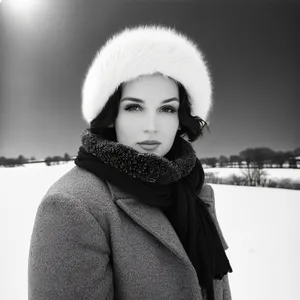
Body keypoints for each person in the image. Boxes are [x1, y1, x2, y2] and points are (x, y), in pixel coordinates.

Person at [28, 25, 233, 300]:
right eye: (134, 107)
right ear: (112, 116)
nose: (151, 126)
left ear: (180, 117)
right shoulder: (71, 206)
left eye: (167, 108)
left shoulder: (193, 190)